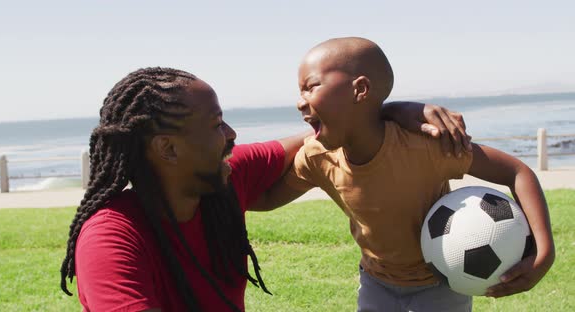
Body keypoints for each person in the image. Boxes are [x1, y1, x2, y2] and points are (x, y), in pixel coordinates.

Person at [59, 67, 472, 311]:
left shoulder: (222, 183)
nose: (231, 135)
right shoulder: (111, 238)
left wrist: (393, 111)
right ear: (168, 148)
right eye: (216, 124)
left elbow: (329, 134)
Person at [253, 37, 555, 312]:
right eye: (299, 91)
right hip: (375, 284)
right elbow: (266, 197)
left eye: (311, 86)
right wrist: (213, 192)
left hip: (442, 285)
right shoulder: (317, 158)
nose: (300, 101)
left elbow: (518, 172)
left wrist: (544, 254)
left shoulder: (426, 148)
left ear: (360, 89)